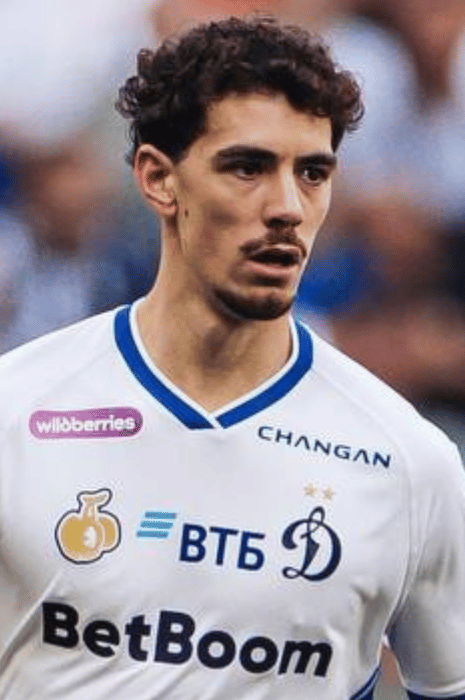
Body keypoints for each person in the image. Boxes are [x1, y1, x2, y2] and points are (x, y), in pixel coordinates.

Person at [0, 16, 464, 700]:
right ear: (158, 179)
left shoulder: (409, 464)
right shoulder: (16, 412)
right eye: (247, 167)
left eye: (313, 173)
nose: (287, 207)